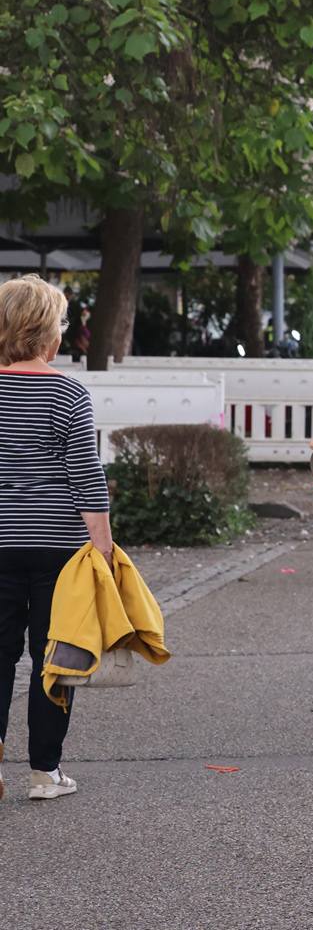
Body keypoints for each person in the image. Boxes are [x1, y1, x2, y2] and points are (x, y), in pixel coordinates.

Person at [0, 275, 111, 806]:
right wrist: (104, 548)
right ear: (50, 333)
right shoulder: (68, 392)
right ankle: (45, 770)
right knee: (55, 655)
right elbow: (85, 475)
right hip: (57, 549)